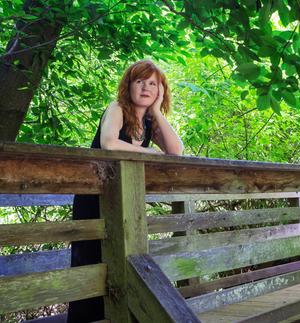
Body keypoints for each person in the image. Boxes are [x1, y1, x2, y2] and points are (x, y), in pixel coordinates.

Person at [67, 60, 183, 322]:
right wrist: (149, 152)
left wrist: (158, 111)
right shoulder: (117, 108)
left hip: (123, 199)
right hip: (94, 198)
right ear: (128, 86)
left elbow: (176, 151)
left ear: (160, 91)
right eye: (139, 81)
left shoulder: (149, 122)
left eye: (153, 84)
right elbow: (109, 143)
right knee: (90, 259)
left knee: (123, 256)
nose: (145, 87)